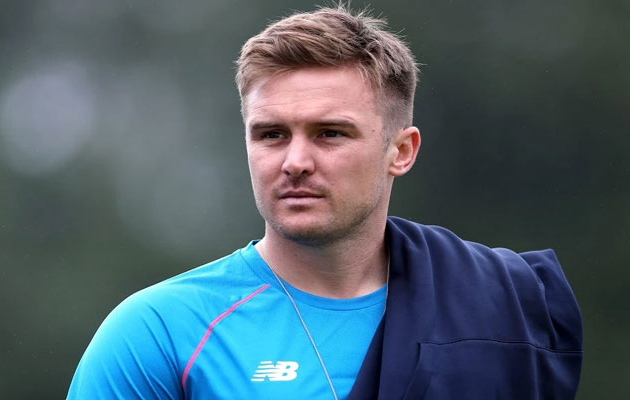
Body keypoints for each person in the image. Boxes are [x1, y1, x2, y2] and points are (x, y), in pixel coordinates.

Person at [68, 5, 582, 400]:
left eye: (330, 133)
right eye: (271, 134)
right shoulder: (161, 333)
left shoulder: (502, 305)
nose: (295, 161)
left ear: (401, 151)